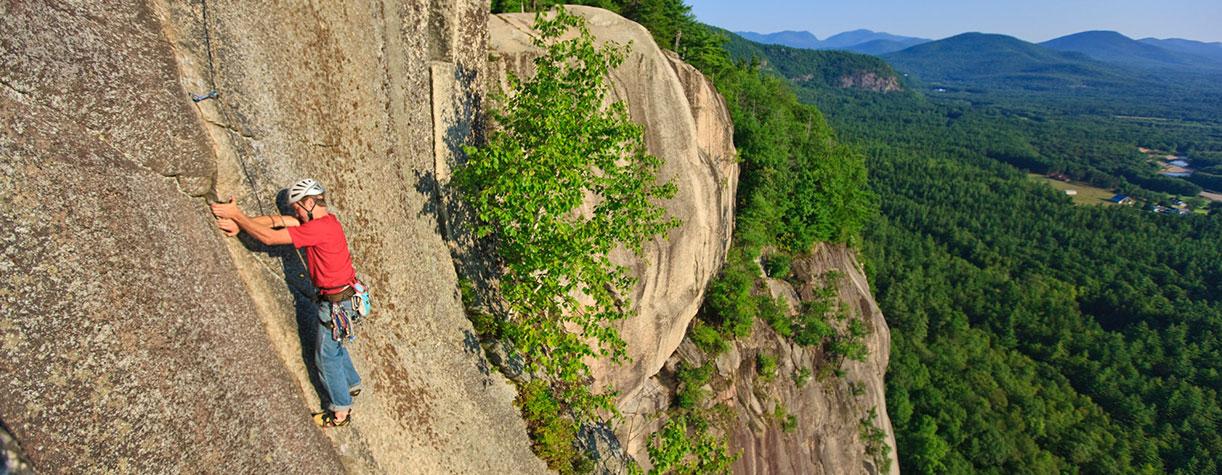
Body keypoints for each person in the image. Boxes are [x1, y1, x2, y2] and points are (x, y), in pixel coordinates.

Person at [210, 178, 362, 428]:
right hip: (346, 298)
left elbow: (270, 238)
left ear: (311, 202)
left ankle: (341, 411)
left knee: (326, 356)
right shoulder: (326, 222)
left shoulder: (319, 228)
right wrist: (240, 223)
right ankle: (352, 383)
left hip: (335, 303)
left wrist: (237, 215)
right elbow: (277, 222)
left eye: (299, 208)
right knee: (335, 345)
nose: (296, 213)